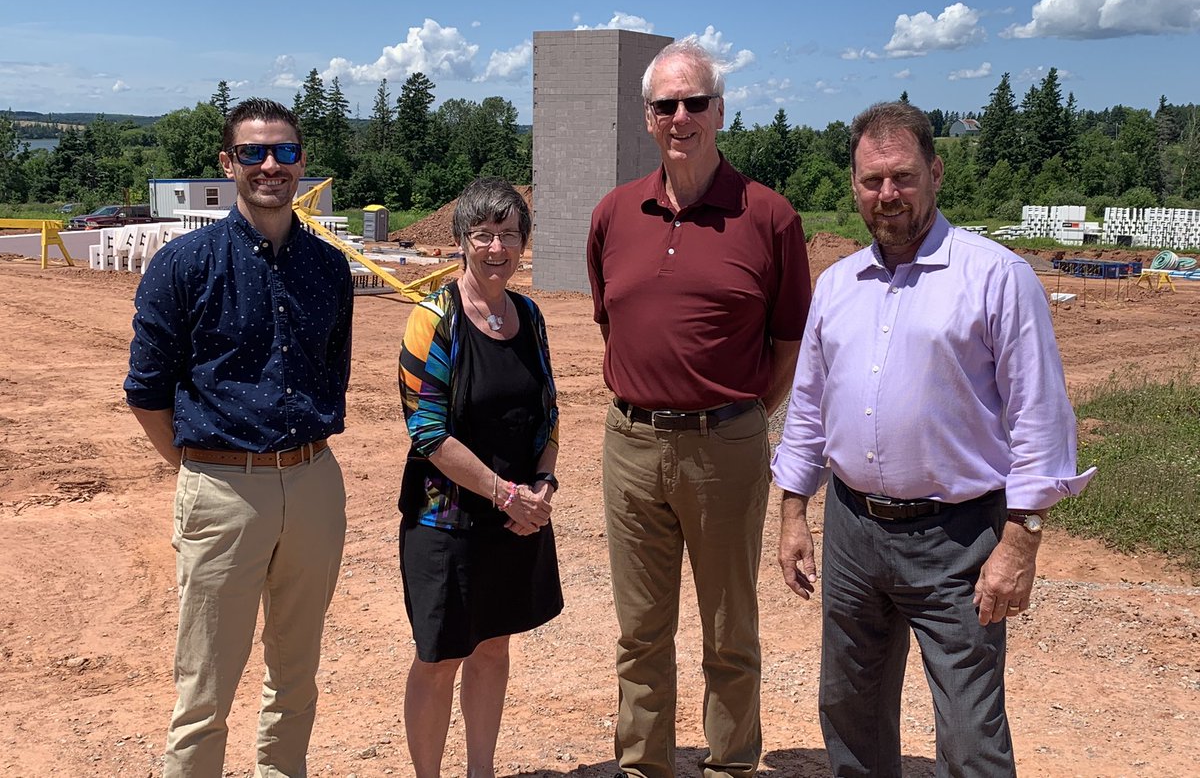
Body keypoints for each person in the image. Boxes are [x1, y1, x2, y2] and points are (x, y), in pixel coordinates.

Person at [772, 100, 1096, 777]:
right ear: (854, 185)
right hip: (855, 531)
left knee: (971, 736)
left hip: (960, 539)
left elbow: (1039, 419)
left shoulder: (997, 277)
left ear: (936, 173)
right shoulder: (837, 287)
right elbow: (807, 408)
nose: (886, 194)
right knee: (850, 714)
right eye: (871, 180)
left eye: (902, 176)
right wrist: (793, 510)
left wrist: (1020, 542)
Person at [586, 39, 812, 778]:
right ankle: (643, 765)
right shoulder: (614, 214)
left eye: (694, 103)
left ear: (719, 110)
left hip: (727, 444)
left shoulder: (769, 218)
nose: (680, 116)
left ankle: (732, 763)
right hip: (631, 443)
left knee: (729, 628)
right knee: (641, 631)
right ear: (647, 117)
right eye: (665, 105)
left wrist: (741, 415)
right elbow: (611, 323)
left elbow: (787, 343)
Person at [125, 97, 353, 776]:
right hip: (222, 487)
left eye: (283, 151)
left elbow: (330, 376)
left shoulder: (328, 267)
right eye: (252, 153)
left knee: (296, 676)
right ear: (227, 163)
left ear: (302, 162)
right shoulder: (185, 264)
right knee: (205, 689)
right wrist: (198, 470)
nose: (270, 165)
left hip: (314, 482)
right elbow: (146, 392)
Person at [398, 177, 562, 778]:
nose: (497, 248)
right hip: (446, 521)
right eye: (483, 235)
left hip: (516, 521)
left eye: (510, 235)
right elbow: (428, 433)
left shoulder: (530, 314)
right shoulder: (433, 319)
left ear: (524, 244)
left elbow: (547, 412)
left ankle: (481, 772)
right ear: (461, 242)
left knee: (494, 646)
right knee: (441, 657)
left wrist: (543, 489)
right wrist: (507, 496)